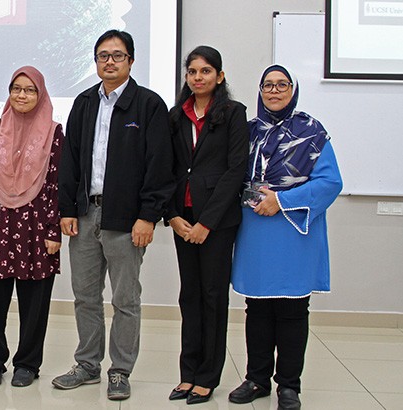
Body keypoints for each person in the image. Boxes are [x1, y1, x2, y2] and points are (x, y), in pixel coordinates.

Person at [54, 29, 175, 400]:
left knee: (126, 299)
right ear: (96, 62)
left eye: (117, 55)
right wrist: (67, 209)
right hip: (86, 214)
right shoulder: (85, 102)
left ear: (131, 61)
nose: (110, 61)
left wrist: (148, 216)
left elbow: (160, 165)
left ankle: (120, 370)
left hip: (127, 219)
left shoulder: (149, 105)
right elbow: (69, 159)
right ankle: (88, 364)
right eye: (103, 55)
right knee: (85, 296)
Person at [228, 65, 343, 410]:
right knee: (257, 309)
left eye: (282, 85)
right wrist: (254, 198)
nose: (274, 91)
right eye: (268, 85)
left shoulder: (312, 132)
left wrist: (281, 201)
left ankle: (289, 386)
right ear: (260, 91)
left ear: (293, 90)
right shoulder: (246, 133)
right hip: (255, 233)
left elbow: (329, 183)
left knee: (293, 311)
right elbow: (230, 175)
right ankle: (257, 379)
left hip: (294, 233)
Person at [0, 66, 63, 388]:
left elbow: (56, 184)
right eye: (16, 89)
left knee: (35, 302)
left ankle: (27, 364)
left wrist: (53, 230)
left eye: (30, 90)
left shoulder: (55, 133)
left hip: (36, 225)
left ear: (41, 94)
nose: (22, 95)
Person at [164, 46, 248, 405]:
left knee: (213, 297)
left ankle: (207, 377)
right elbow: (164, 168)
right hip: (183, 219)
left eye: (206, 71)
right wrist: (172, 216)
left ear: (220, 76)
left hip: (217, 221)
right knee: (189, 296)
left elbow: (235, 172)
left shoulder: (232, 113)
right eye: (192, 72)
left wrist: (207, 223)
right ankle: (188, 372)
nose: (198, 78)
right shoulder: (175, 115)